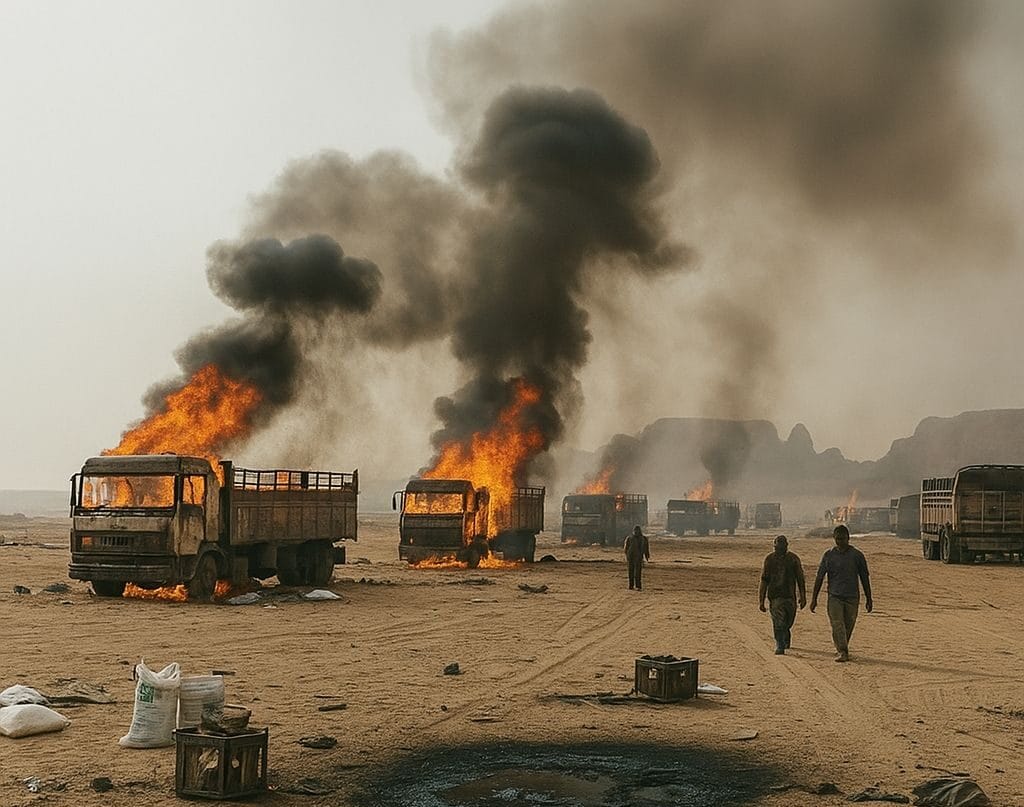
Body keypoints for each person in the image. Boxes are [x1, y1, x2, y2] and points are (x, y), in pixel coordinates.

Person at [810, 524, 873, 662]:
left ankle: (843, 647)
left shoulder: (857, 556)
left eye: (843, 539)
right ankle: (842, 651)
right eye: (838, 539)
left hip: (852, 597)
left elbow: (864, 578)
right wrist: (814, 599)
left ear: (848, 538)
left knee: (848, 625)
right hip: (834, 597)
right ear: (834, 538)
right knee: (837, 624)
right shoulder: (828, 555)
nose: (840, 542)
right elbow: (820, 577)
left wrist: (869, 598)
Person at [758, 535, 806, 655]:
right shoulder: (769, 559)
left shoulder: (793, 559)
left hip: (790, 597)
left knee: (788, 622)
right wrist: (761, 601)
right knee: (778, 622)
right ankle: (780, 644)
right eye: (777, 546)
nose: (779, 549)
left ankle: (786, 634)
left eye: (782, 546)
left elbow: (800, 578)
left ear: (786, 546)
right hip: (775, 597)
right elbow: (764, 580)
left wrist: (802, 596)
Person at [623, 525, 650, 591]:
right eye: (635, 530)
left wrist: (647, 556)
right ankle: (631, 585)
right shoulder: (629, 538)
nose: (636, 532)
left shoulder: (643, 539)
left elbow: (646, 548)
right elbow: (626, 548)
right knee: (631, 572)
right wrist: (627, 555)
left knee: (638, 572)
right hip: (631, 557)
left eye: (637, 530)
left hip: (639, 557)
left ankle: (638, 586)